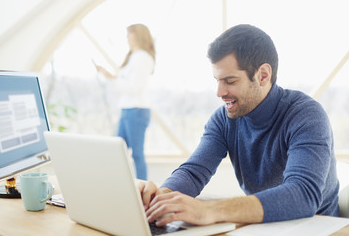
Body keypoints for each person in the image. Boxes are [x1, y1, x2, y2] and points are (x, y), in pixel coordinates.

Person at [137, 24, 339, 226]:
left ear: (263, 75)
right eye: (217, 80)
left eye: (230, 81)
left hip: (318, 226)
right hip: (265, 227)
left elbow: (303, 195)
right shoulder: (224, 119)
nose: (219, 92)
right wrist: (162, 197)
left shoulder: (306, 115)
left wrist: (209, 210)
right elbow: (193, 172)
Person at [94, 24, 155, 180]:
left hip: (137, 110)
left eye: (129, 34)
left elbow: (134, 87)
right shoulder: (133, 57)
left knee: (137, 155)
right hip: (128, 110)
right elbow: (124, 84)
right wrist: (110, 77)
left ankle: (143, 193)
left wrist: (113, 79)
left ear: (137, 35)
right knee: (117, 152)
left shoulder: (142, 58)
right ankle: (117, 186)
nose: (127, 37)